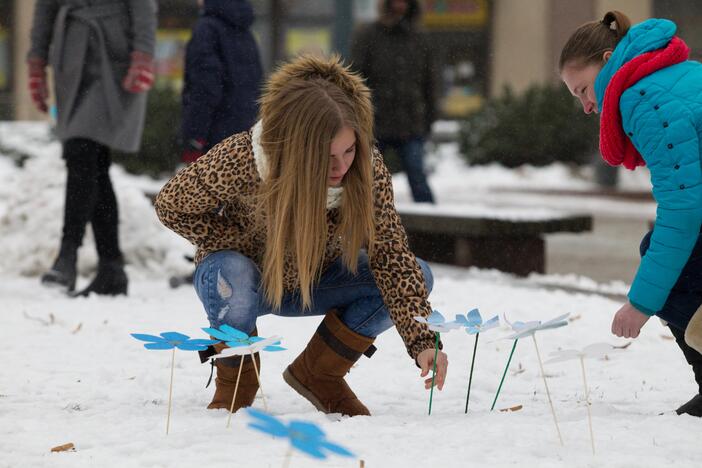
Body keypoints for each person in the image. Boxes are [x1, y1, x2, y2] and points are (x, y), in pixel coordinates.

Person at [155, 55, 448, 417]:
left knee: (420, 273)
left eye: (349, 150)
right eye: (327, 157)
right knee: (231, 272)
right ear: (298, 149)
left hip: (315, 280)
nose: (342, 167)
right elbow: (171, 204)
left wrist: (423, 342)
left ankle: (320, 373)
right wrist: (233, 242)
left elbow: (390, 255)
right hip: (246, 281)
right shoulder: (246, 156)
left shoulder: (366, 172)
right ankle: (236, 383)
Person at [559, 11, 702, 416]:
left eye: (583, 89)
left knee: (669, 274)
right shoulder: (671, 75)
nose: (587, 106)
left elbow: (683, 211)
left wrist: (640, 305)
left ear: (608, 60)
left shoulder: (643, 100)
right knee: (662, 252)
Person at [28, 0, 158, 296]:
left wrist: (144, 55)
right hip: (71, 54)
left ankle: (67, 254)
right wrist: (36, 62)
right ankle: (111, 267)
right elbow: (44, 8)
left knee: (82, 151)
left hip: (114, 55)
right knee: (94, 161)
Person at [350, 0, 436, 203]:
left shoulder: (420, 38)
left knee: (418, 178)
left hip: (410, 123)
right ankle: (356, 221)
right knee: (365, 179)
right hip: (375, 122)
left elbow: (430, 82)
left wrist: (429, 117)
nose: (400, 5)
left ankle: (432, 228)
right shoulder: (369, 35)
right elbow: (355, 77)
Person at [180, 0, 263, 164]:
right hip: (245, 132)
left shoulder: (206, 30)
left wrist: (195, 136)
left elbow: (205, 87)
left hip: (213, 134)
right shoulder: (246, 32)